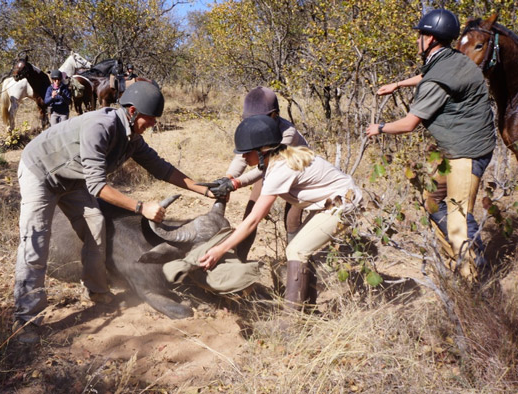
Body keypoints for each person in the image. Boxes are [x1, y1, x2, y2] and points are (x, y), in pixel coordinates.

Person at [13, 81, 216, 343]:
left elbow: (160, 168)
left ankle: (96, 291)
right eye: (150, 119)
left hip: (71, 179)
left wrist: (204, 190)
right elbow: (97, 186)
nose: (153, 124)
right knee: (35, 240)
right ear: (132, 111)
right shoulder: (102, 127)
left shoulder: (132, 137)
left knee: (96, 224)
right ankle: (25, 319)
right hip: (40, 171)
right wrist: (142, 208)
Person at [365, 9, 495, 281]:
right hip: (463, 146)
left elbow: (409, 123)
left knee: (459, 215)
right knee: (433, 200)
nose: (418, 39)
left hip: (465, 152)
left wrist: (379, 128)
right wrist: (398, 84)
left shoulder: (441, 75)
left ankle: (475, 282)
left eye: (421, 34)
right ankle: (455, 262)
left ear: (432, 39)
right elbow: (428, 77)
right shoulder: (452, 59)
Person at [200, 115, 362, 308]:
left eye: (247, 153)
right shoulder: (280, 158)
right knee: (301, 249)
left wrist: (219, 249)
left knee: (297, 249)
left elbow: (253, 221)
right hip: (331, 201)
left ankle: (291, 320)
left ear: (263, 150)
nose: (243, 157)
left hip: (344, 203)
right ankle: (307, 308)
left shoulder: (280, 168)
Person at [207, 87, 309, 266]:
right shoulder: (256, 130)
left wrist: (236, 182)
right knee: (250, 215)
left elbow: (268, 165)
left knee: (292, 222)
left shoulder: (288, 133)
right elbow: (244, 156)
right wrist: (228, 177)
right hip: (271, 170)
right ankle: (238, 262)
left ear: (274, 115)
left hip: (298, 175)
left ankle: (296, 267)